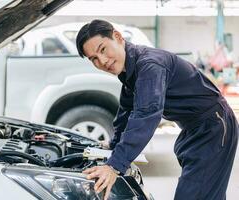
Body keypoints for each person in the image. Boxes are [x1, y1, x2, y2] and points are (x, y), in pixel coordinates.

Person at [76, 19, 238, 200]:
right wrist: (113, 146)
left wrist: (114, 166)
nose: (103, 61)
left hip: (213, 126)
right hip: (196, 128)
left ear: (117, 37)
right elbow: (126, 110)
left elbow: (146, 115)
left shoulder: (150, 65)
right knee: (206, 193)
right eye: (94, 59)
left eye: (103, 49)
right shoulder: (130, 70)